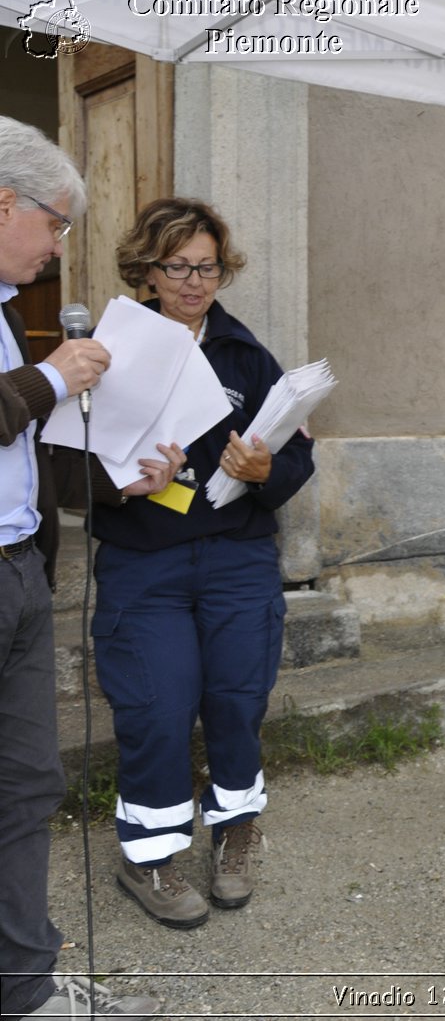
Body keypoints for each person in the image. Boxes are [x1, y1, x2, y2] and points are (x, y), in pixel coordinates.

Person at [87, 198, 315, 927]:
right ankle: (148, 856)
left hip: (236, 557)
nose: (193, 281)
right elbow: (66, 459)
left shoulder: (248, 354)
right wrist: (119, 482)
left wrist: (262, 470)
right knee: (156, 708)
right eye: (177, 266)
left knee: (237, 700)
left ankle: (235, 835)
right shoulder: (106, 350)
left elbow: (297, 454)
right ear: (146, 271)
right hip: (143, 563)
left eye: (207, 267)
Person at [0, 117, 164, 1017]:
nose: (60, 245)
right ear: (3, 201)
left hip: (21, 572)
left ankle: (24, 990)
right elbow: (18, 404)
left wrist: (120, 479)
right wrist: (52, 378)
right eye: (56, 223)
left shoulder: (3, 309)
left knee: (26, 785)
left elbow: (21, 441)